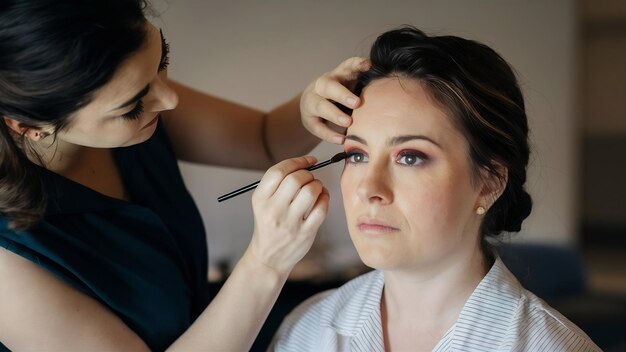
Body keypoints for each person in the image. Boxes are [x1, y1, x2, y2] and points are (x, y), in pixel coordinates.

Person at [0, 1, 367, 350]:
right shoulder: (8, 273)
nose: (170, 100)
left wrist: (311, 105)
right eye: (131, 106)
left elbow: (263, 140)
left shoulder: (136, 91)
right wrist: (266, 262)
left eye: (163, 59)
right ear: (30, 125)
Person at [270, 26, 601, 351]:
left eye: (410, 158)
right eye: (357, 155)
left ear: (489, 183)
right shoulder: (307, 330)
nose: (369, 188)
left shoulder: (553, 347)